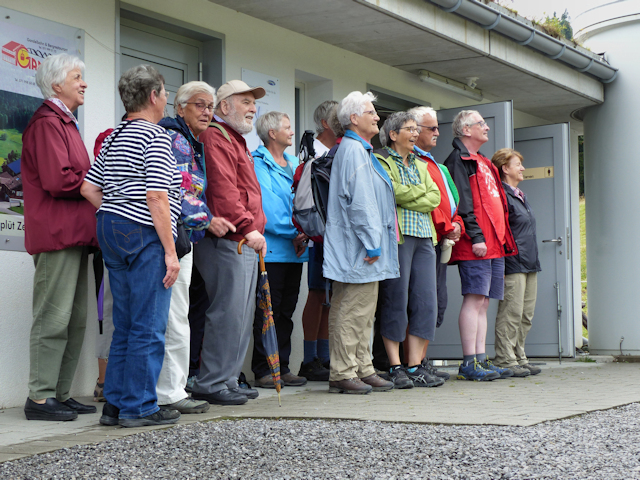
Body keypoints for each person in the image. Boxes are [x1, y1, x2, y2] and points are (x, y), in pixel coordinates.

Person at [81, 65, 182, 427]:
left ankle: (116, 406)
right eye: (165, 92)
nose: (166, 98)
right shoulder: (155, 137)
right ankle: (139, 407)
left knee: (123, 322)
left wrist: (117, 208)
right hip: (144, 231)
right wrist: (170, 252)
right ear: (154, 96)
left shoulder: (113, 136)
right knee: (149, 323)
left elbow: (89, 189)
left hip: (109, 226)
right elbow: (157, 194)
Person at [21, 53, 99, 421]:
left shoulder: (64, 122)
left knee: (76, 319)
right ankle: (39, 398)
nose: (83, 83)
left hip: (74, 235)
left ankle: (60, 393)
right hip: (57, 234)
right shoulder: (47, 123)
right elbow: (58, 179)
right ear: (57, 85)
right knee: (53, 318)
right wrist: (92, 189)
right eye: (77, 77)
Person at [157, 81, 236, 413]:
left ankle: (173, 387)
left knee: (179, 315)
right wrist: (207, 220)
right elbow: (179, 188)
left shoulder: (190, 139)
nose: (207, 111)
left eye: (211, 106)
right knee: (174, 317)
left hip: (183, 237)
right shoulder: (173, 138)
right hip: (173, 238)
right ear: (179, 107)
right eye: (200, 105)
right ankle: (170, 392)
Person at [189, 80, 267, 406]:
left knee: (240, 314)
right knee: (227, 314)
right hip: (230, 239)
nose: (253, 109)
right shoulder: (216, 137)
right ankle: (211, 381)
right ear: (225, 107)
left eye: (254, 103)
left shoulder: (235, 140)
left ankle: (228, 378)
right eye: (246, 102)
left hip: (243, 240)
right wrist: (250, 228)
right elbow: (223, 190)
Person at [323, 91, 397, 394]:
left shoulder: (360, 150)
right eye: (371, 112)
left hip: (362, 247)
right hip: (359, 248)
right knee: (352, 310)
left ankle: (362, 367)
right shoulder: (354, 151)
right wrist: (372, 243)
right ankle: (343, 371)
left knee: (363, 311)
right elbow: (361, 203)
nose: (377, 117)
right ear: (354, 118)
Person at [443, 110, 517, 382]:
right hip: (477, 242)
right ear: (465, 130)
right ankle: (468, 362)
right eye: (481, 124)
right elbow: (462, 202)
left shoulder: (484, 161)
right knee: (474, 299)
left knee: (484, 302)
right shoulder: (458, 160)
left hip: (493, 243)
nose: (486, 127)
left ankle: (481, 359)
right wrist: (476, 236)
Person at [375, 112, 443, 389]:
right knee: (396, 299)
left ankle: (415, 365)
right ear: (393, 135)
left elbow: (436, 196)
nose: (416, 134)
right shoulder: (381, 160)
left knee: (426, 302)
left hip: (426, 237)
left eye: (417, 129)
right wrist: (418, 195)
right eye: (410, 129)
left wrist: (410, 194)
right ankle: (394, 365)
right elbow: (392, 192)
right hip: (399, 238)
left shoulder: (422, 164)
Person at [251, 111, 309, 388]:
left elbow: (306, 199)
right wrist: (297, 230)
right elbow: (269, 210)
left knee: (286, 311)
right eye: (287, 127)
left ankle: (282, 366)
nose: (292, 131)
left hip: (295, 251)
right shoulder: (258, 163)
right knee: (267, 311)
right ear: (271, 133)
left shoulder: (296, 162)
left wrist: (304, 231)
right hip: (271, 250)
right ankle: (264, 369)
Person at [409, 106, 464, 380]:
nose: (437, 133)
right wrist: (446, 225)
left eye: (437, 128)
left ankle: (422, 360)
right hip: (424, 239)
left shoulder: (439, 166)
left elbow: (454, 203)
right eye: (431, 128)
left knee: (436, 303)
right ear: (414, 131)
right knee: (421, 302)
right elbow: (428, 203)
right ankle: (413, 364)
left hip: (440, 239)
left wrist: (457, 226)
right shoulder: (413, 162)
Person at [491, 149, 542, 377]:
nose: (522, 168)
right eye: (518, 164)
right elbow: (499, 231)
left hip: (530, 261)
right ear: (505, 168)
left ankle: (519, 357)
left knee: (526, 314)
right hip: (513, 261)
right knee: (511, 312)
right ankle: (504, 359)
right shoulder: (501, 195)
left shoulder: (520, 194)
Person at [298, 100, 338, 381]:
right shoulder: (313, 153)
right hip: (318, 235)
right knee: (316, 293)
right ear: (325, 123)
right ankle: (309, 358)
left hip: (335, 235)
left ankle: (323, 357)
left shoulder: (339, 150)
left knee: (330, 297)